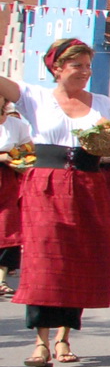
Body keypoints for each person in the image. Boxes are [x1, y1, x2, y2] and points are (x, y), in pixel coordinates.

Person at [0, 39, 110, 366]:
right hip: (45, 185)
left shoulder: (103, 104)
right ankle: (40, 342)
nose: (85, 72)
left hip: (88, 185)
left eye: (88, 66)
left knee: (78, 261)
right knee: (44, 261)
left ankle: (64, 337)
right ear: (57, 68)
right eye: (77, 65)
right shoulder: (34, 96)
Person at [0, 97, 28, 297]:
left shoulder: (16, 125)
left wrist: (21, 161)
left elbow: (29, 150)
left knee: (7, 228)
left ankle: (0, 280)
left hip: (8, 179)